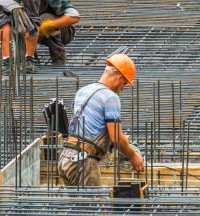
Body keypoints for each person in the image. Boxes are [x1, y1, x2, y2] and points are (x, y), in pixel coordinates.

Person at [58, 54, 145, 187]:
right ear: (119, 78)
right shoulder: (110, 97)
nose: (122, 88)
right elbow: (116, 137)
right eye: (124, 83)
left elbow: (87, 128)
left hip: (65, 158)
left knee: (77, 207)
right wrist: (133, 155)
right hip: (83, 162)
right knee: (93, 206)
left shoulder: (83, 91)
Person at [37, 0, 81, 65]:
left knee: (45, 18)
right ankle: (29, 59)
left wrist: (48, 26)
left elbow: (74, 16)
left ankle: (58, 58)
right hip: (34, 30)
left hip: (63, 30)